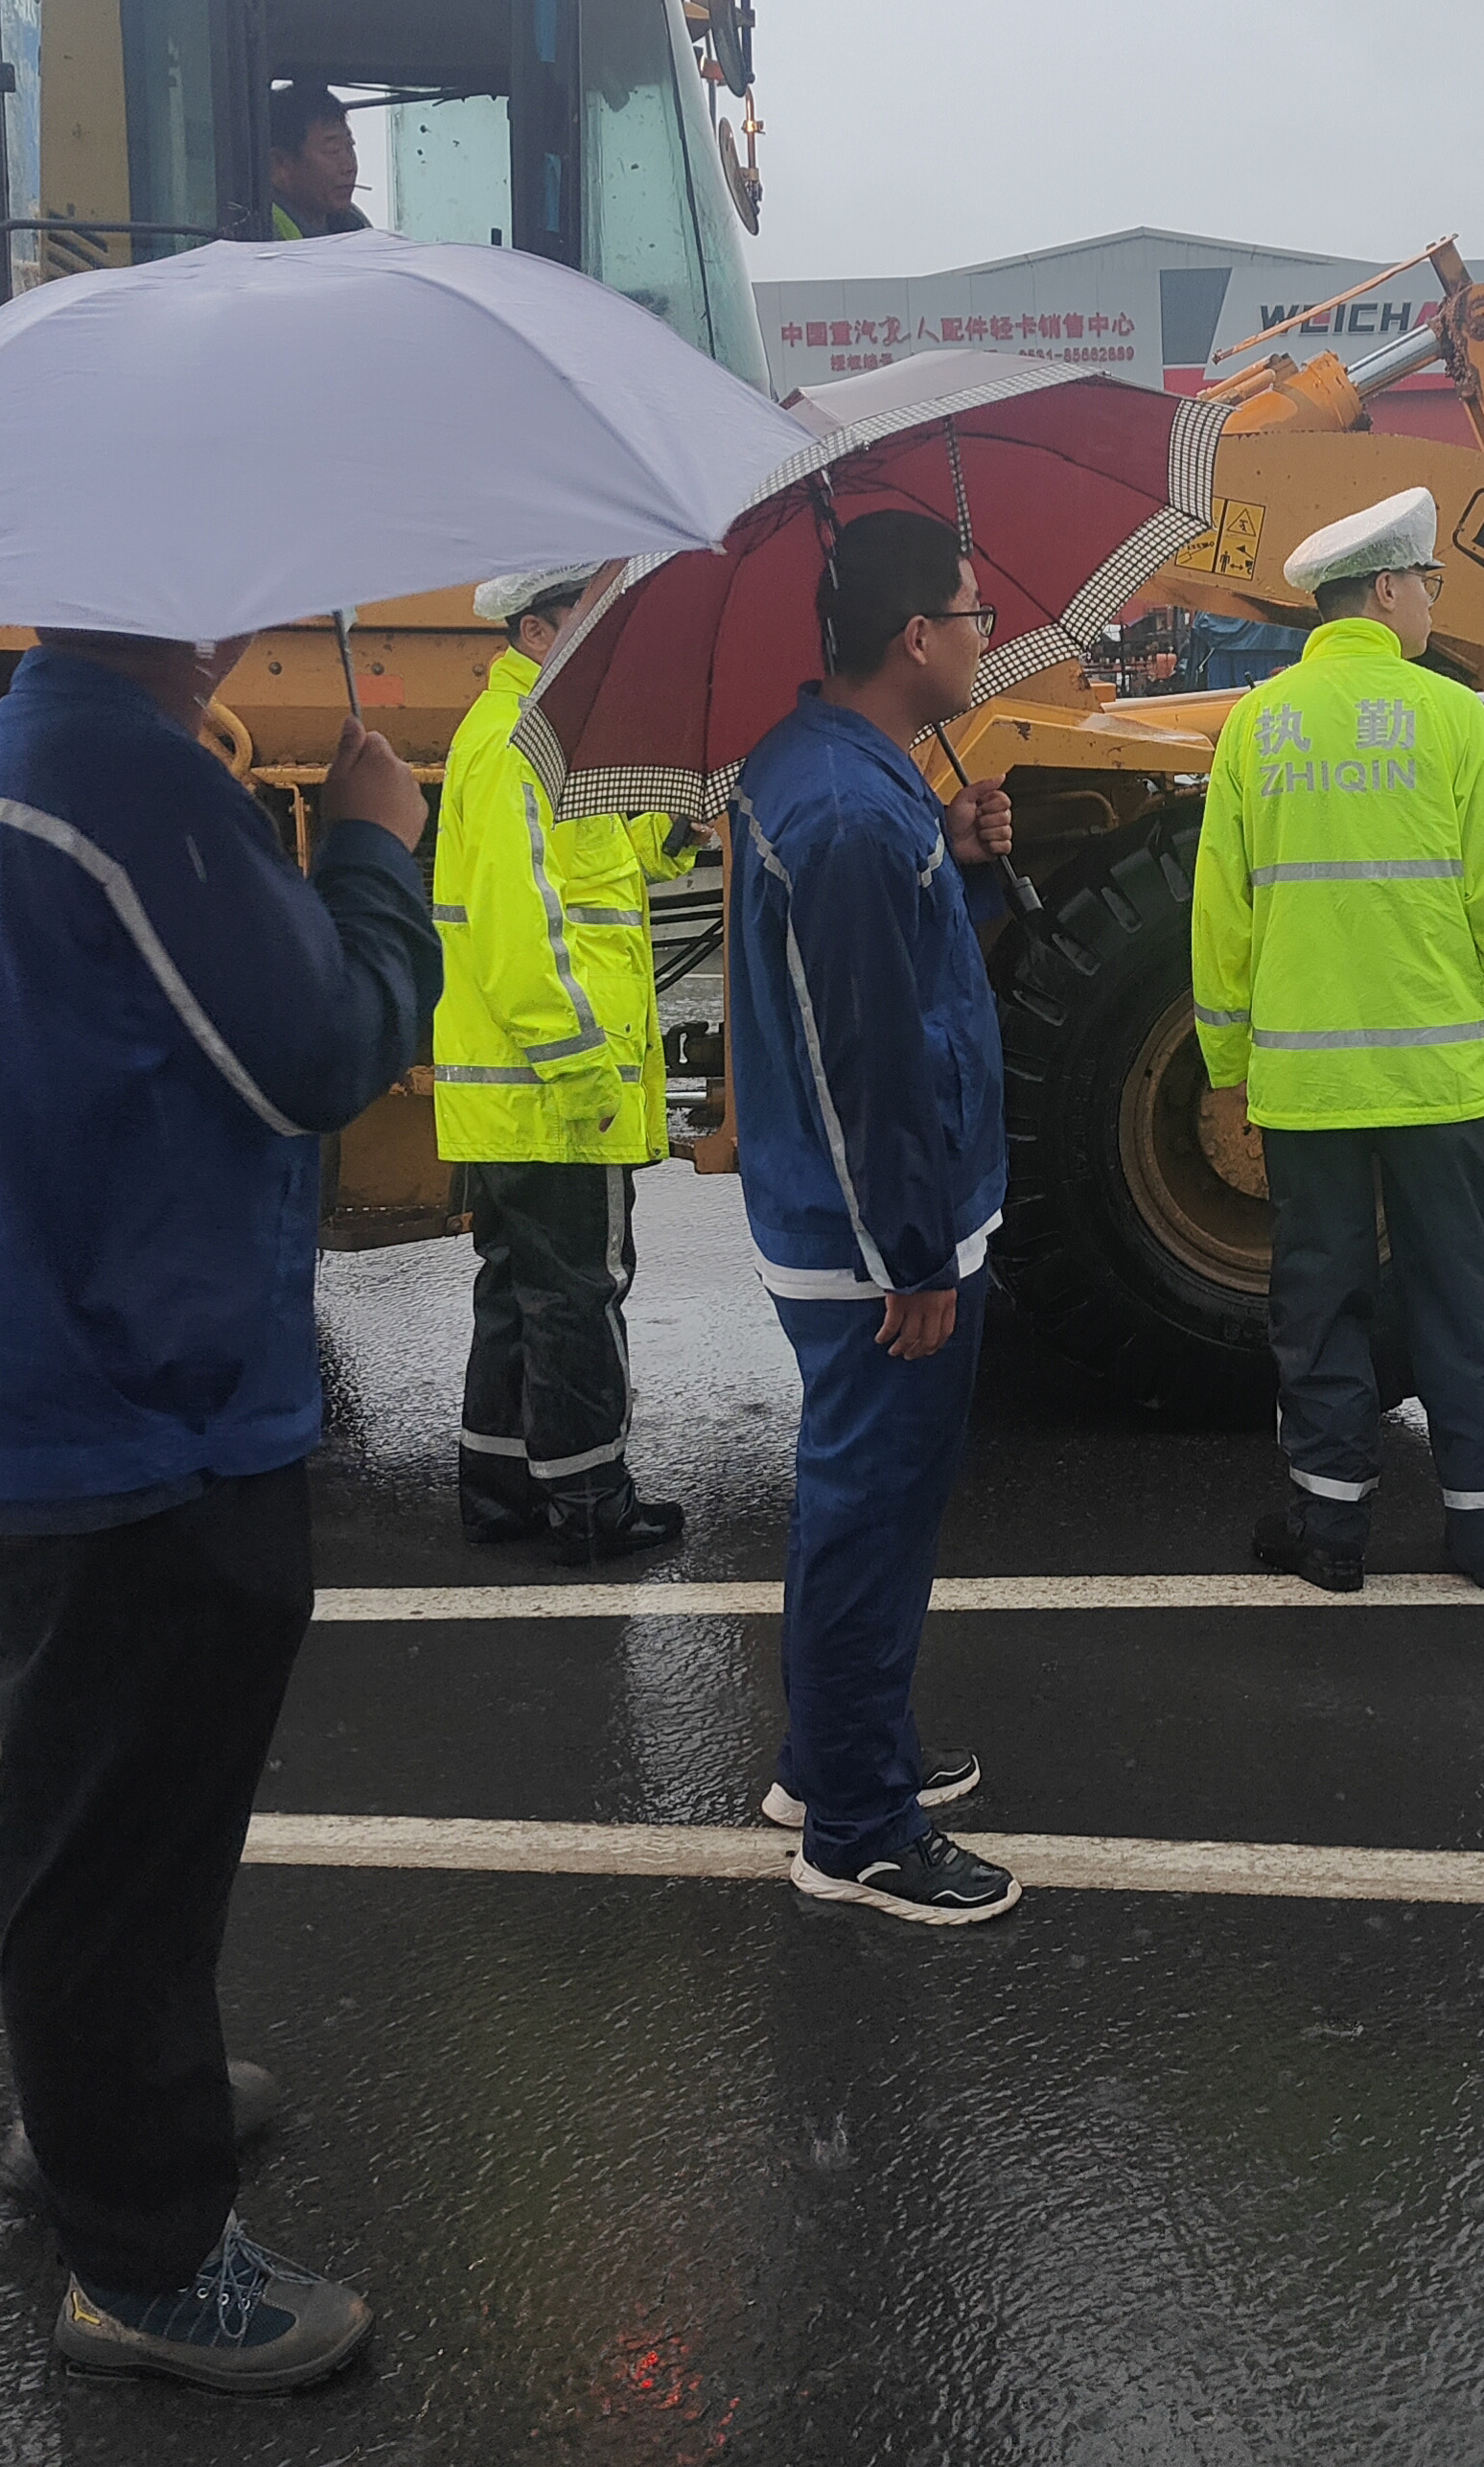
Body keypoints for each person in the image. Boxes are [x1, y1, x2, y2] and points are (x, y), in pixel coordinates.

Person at [0, 629, 440, 2390]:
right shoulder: (128, 779)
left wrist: (50, 1115)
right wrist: (374, 850)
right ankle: (145, 2262)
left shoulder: (2, 764)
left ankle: (112, 2105)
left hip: (52, 1390)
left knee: (124, 1822)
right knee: (116, 1844)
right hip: (135, 1412)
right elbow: (329, 1047)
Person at [726, 506, 1020, 1926]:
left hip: (856, 1222)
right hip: (873, 1243)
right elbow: (866, 1062)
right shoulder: (846, 812)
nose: (984, 636)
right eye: (971, 613)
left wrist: (958, 860)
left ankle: (837, 1755)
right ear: (914, 637)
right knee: (870, 1516)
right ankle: (854, 1827)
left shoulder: (836, 773)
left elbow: (909, 980)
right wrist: (912, 1256)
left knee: (868, 1508)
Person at [1192, 484, 1484, 1597]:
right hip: (1441, 1083)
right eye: (1430, 582)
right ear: (1388, 590)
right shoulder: (1451, 718)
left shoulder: (1256, 724)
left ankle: (1330, 1531)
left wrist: (1226, 1067)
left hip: (1308, 1092)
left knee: (1320, 1306)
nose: (1436, 601)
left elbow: (1220, 917)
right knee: (1462, 1299)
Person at [434, 565, 694, 1564]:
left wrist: (680, 817)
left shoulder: (542, 735)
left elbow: (615, 855)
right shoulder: (518, 744)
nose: (614, 628)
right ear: (536, 631)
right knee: (579, 1294)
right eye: (593, 612)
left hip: (524, 1098)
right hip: (556, 1096)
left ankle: (501, 1489)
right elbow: (522, 937)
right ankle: (591, 1502)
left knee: (520, 1290)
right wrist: (585, 1076)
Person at [266, 81, 370, 240]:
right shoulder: (263, 232)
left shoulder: (354, 222)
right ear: (279, 164)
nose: (349, 167)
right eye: (333, 150)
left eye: (350, 147)